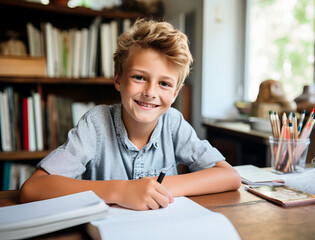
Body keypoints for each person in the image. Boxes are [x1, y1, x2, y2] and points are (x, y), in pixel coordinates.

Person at [20, 19, 241, 211]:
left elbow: (229, 176)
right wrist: (121, 190)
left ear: (174, 94)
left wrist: (156, 187)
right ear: (118, 79)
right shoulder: (96, 123)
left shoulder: (172, 123)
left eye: (164, 83)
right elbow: (33, 188)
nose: (150, 93)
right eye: (139, 77)